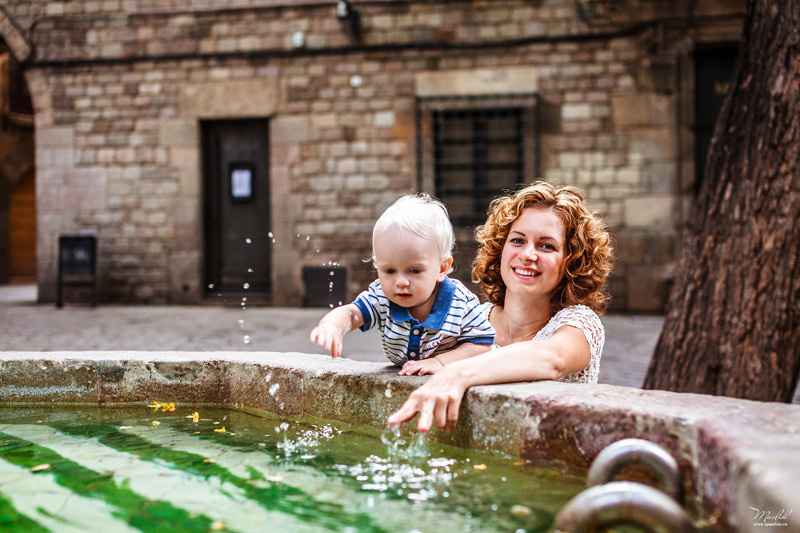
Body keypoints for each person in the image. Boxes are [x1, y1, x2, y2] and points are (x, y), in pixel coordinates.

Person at [388, 181, 613, 432]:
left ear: (572, 262)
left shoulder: (580, 324)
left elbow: (551, 360)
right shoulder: (472, 318)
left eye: (546, 246)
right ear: (500, 249)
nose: (528, 254)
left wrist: (457, 373)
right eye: (518, 241)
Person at [310, 193, 495, 368]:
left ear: (441, 268)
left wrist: (440, 362)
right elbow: (352, 314)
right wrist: (332, 325)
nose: (401, 282)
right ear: (377, 265)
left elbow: (483, 345)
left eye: (414, 271)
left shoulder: (459, 303)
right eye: (389, 270)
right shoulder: (382, 298)